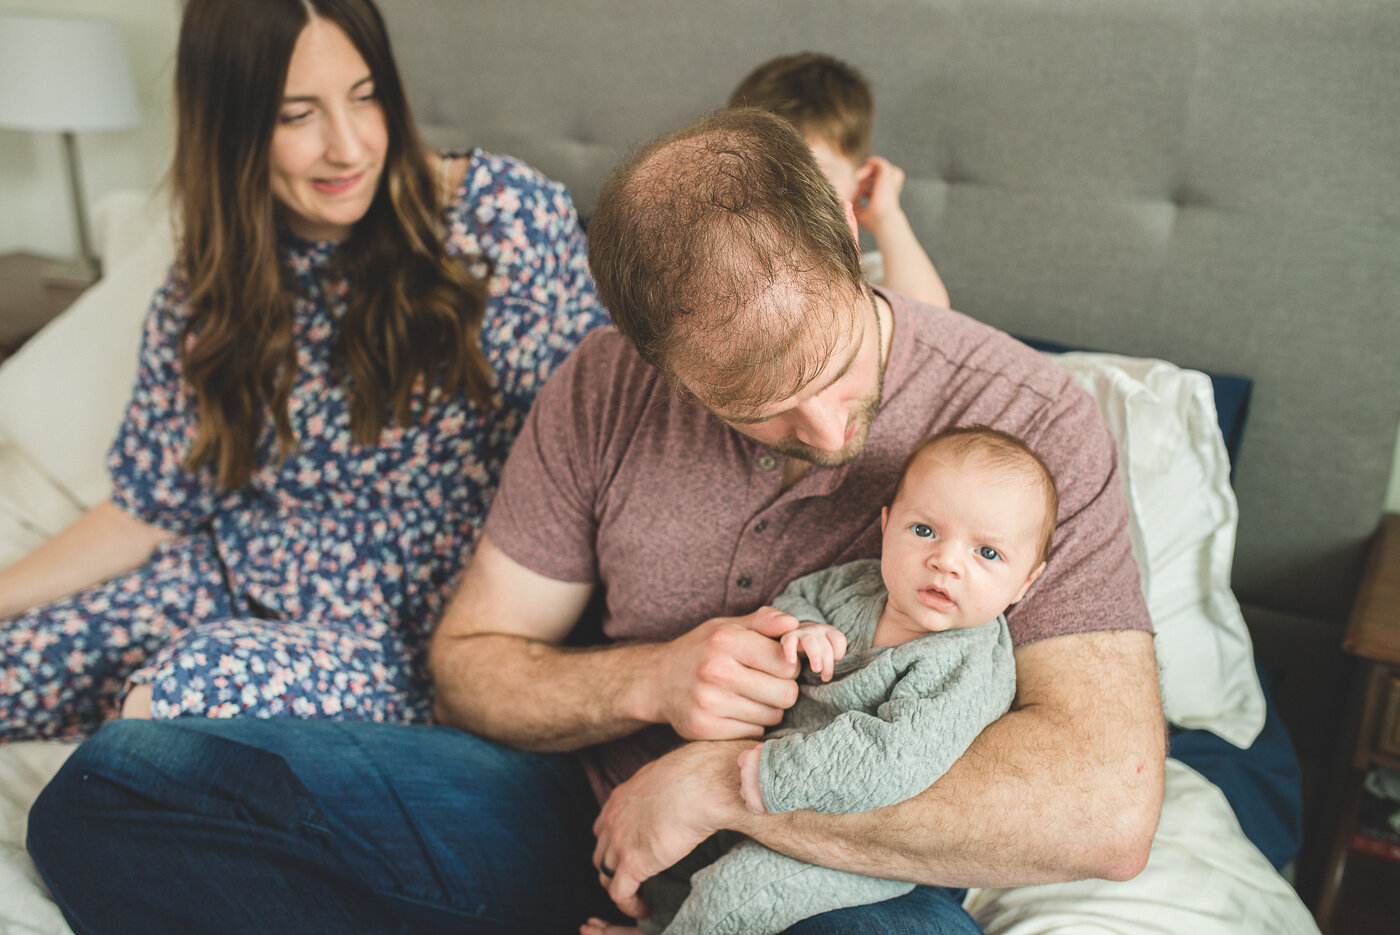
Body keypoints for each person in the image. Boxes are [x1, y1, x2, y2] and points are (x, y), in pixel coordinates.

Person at [39, 107, 1314, 935]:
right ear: (654, 359)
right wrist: (652, 679)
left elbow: (1102, 806)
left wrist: (721, 784)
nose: (827, 435)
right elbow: (471, 663)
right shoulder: (596, 386)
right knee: (115, 790)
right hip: (572, 819)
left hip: (826, 876)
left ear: (845, 247)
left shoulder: (1029, 420)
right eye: (759, 411)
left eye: (842, 377)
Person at [0, 0, 603, 740]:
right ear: (232, 124)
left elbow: (597, 451)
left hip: (407, 637)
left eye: (365, 97)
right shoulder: (213, 280)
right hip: (224, 576)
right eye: (297, 115)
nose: (348, 148)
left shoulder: (504, 223)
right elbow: (151, 504)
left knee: (176, 700)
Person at [581, 426, 1058, 935]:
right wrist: (801, 628)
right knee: (687, 863)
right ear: (886, 525)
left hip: (850, 844)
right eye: (924, 531)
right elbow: (801, 595)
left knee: (738, 892)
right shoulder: (857, 583)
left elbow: (893, 756)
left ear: (1025, 581)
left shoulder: (967, 664)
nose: (946, 561)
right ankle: (656, 925)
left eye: (987, 553)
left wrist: (775, 775)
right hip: (763, 786)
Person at [729, 52, 950, 308]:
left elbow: (925, 321)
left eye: (814, 173)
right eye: (765, 170)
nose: (787, 190)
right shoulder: (728, 257)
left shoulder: (871, 275)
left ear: (861, 183)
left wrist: (887, 218)